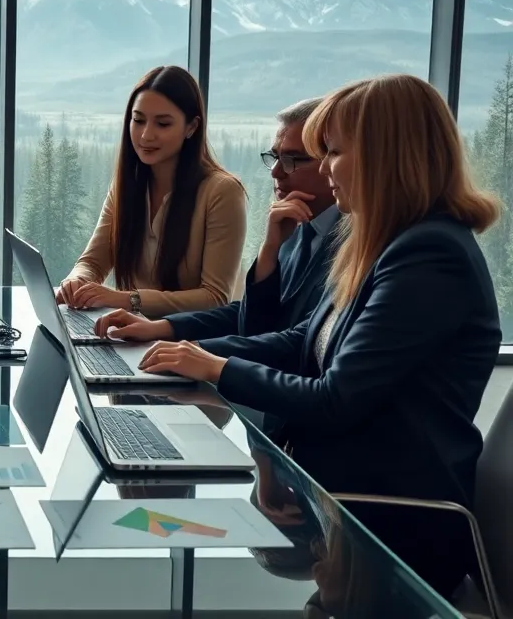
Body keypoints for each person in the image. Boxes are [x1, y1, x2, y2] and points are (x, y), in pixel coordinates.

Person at [139, 74, 499, 599]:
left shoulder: (430, 256)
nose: (326, 170)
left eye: (334, 152)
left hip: (390, 528)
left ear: (385, 156)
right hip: (339, 501)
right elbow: (303, 339)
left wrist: (214, 368)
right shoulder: (386, 241)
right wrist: (191, 354)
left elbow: (336, 398)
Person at [95, 97, 339, 342]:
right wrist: (161, 328)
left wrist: (205, 359)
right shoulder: (294, 224)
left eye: (292, 159)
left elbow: (298, 343)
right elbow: (249, 322)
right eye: (274, 157)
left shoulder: (356, 243)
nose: (276, 172)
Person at [56, 65, 246, 317]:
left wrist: (127, 299)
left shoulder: (222, 192)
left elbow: (214, 297)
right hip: (130, 333)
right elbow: (92, 262)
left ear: (191, 127)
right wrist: (77, 282)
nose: (146, 135)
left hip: (187, 345)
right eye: (138, 120)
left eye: (163, 124)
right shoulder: (127, 184)